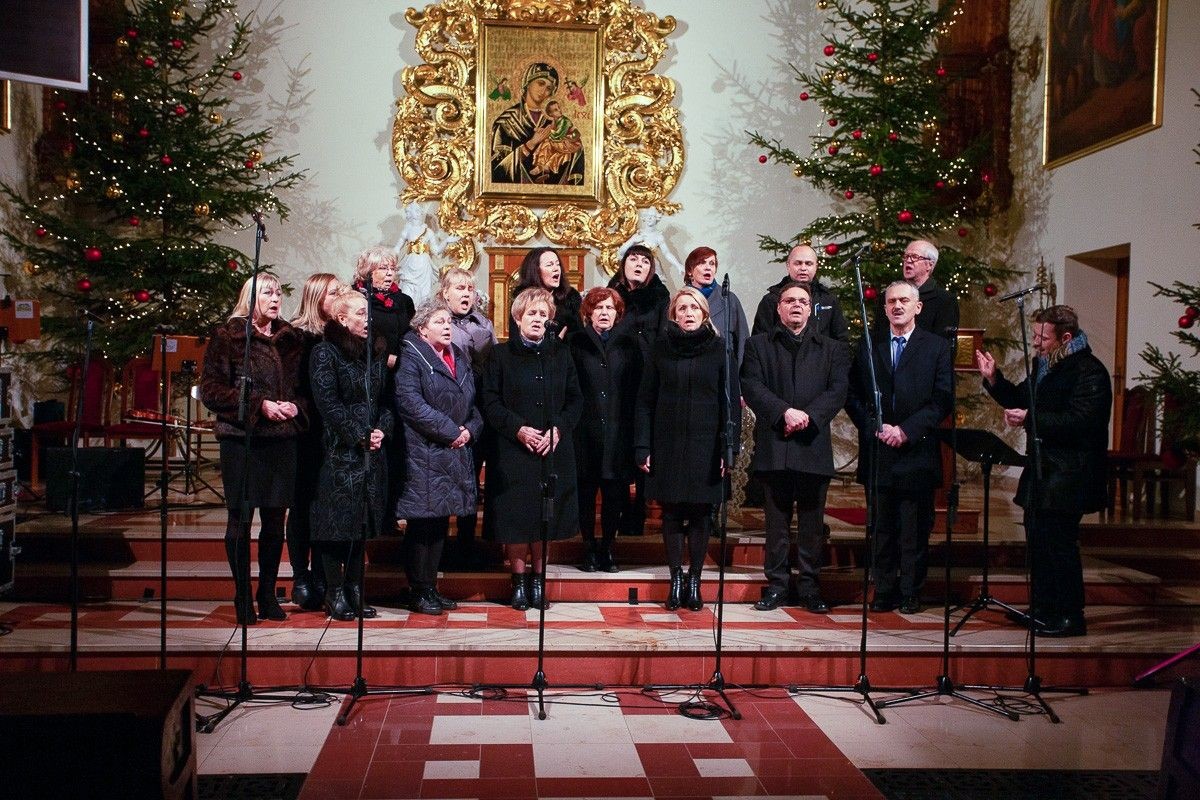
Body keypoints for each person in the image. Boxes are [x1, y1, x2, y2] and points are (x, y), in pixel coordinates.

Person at [976, 305, 1111, 637]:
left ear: (1065, 337)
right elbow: (1021, 398)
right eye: (1034, 335)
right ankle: (1043, 607)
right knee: (1038, 540)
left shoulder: (1088, 371)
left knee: (1060, 544)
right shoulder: (1046, 365)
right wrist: (994, 379)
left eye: (1042, 337)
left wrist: (1031, 419)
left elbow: (1082, 422)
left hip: (1071, 472)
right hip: (1044, 470)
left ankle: (1070, 615)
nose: (1035, 343)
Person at [200, 274, 306, 625]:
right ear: (251, 297)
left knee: (276, 520)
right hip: (242, 440)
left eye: (279, 292)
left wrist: (294, 407)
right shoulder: (229, 337)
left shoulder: (291, 339)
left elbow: (304, 389)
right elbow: (211, 390)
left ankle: (268, 593)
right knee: (241, 519)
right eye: (267, 292)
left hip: (282, 439)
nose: (275, 298)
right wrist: (259, 405)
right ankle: (243, 594)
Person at [742, 281, 850, 613]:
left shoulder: (831, 348)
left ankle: (809, 586)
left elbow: (838, 390)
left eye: (803, 301)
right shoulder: (758, 345)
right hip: (775, 443)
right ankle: (776, 585)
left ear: (811, 308)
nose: (796, 306)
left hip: (812, 444)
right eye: (789, 301)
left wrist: (808, 416)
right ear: (778, 308)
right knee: (776, 525)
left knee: (811, 524)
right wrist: (783, 412)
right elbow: (752, 384)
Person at [846, 280, 953, 615]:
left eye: (904, 300)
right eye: (891, 301)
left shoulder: (936, 347)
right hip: (880, 451)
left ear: (917, 307)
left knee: (914, 529)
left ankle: (910, 591)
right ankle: (884, 589)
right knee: (881, 528)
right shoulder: (869, 347)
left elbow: (942, 399)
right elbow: (853, 396)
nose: (896, 306)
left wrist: (906, 430)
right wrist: (876, 427)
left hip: (915, 451)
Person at [636, 287, 740, 611]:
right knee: (671, 514)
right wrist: (643, 445)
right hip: (667, 442)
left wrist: (729, 448)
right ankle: (675, 578)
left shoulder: (720, 349)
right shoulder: (660, 349)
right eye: (682, 308)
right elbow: (644, 401)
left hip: (707, 444)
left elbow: (731, 405)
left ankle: (694, 578)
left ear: (705, 314)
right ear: (674, 315)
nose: (688, 313)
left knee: (700, 513)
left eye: (694, 307)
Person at [482, 287, 583, 611]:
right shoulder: (499, 355)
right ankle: (519, 583)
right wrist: (519, 429)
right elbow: (490, 401)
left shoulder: (560, 354)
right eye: (532, 314)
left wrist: (557, 431)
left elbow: (575, 400)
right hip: (513, 452)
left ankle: (539, 582)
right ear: (518, 317)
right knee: (516, 520)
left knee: (543, 518)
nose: (538, 319)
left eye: (544, 314)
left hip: (551, 450)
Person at [395, 298, 484, 615]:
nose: (447, 326)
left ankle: (430, 587)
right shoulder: (411, 356)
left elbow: (474, 404)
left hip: (455, 449)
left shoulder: (458, 356)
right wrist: (452, 431)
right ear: (421, 328)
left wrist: (470, 430)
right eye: (439, 322)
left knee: (440, 522)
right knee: (422, 523)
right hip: (425, 450)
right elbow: (410, 404)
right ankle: (417, 589)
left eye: (449, 321)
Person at [308, 291, 392, 620]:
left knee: (360, 524)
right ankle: (334, 591)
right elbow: (328, 403)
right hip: (337, 452)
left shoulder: (373, 353)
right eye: (360, 313)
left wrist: (381, 430)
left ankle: (355, 589)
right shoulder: (324, 352)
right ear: (342, 319)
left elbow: (385, 402)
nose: (368, 318)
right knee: (335, 526)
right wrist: (358, 435)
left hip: (371, 452)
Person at [569, 287, 642, 572]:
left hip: (618, 432)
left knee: (614, 495)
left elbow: (637, 390)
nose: (604, 313)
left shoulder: (630, 345)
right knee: (585, 494)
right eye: (598, 308)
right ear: (588, 313)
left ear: (618, 313)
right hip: (583, 433)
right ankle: (588, 547)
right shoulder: (575, 343)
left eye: (609, 308)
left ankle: (608, 547)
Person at [286, 272, 343, 611]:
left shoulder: (339, 335)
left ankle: (323, 574)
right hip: (305, 430)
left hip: (332, 432)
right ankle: (300, 575)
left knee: (325, 506)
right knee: (302, 505)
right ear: (317, 297)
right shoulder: (297, 336)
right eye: (334, 293)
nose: (339, 297)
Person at [606, 244, 670, 537]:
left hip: (646, 374)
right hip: (617, 376)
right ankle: (616, 510)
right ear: (624, 264)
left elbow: (663, 337)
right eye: (633, 259)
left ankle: (638, 512)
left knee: (644, 444)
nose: (639, 264)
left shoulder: (659, 296)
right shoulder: (611, 292)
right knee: (619, 446)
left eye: (645, 261)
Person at [441, 268, 497, 558]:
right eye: (460, 288)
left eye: (470, 288)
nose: (466, 293)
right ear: (445, 292)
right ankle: (445, 543)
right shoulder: (439, 323)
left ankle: (468, 540)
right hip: (451, 409)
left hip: (480, 408)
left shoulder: (484, 324)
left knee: (473, 476)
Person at [490, 62, 584, 186]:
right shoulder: (507, 122)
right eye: (540, 83)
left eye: (549, 88)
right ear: (527, 83)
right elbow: (495, 172)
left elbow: (577, 153)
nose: (544, 90)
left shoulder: (556, 121)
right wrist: (531, 144)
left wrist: (567, 143)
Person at [751, 244, 849, 342]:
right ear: (788, 265)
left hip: (823, 356)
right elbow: (759, 342)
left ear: (816, 266)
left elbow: (841, 341)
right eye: (798, 263)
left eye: (808, 263)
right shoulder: (771, 299)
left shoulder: (828, 300)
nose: (803, 268)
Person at [684, 246, 750, 364]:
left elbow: (742, 340)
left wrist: (738, 377)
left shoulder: (729, 299)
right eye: (702, 263)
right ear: (690, 271)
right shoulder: (680, 301)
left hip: (723, 371)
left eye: (712, 263)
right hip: (690, 369)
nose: (708, 267)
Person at [508, 246, 583, 340]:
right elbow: (515, 338)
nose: (556, 269)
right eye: (549, 265)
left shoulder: (569, 298)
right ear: (536, 270)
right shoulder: (522, 299)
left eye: (558, 264)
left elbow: (579, 338)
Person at [895, 239, 959, 340]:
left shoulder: (945, 300)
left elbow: (943, 346)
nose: (908, 260)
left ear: (929, 265)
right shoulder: (890, 296)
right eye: (906, 256)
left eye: (915, 257)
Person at [530, 100, 582, 180]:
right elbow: (551, 130)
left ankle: (546, 166)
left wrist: (546, 133)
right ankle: (540, 165)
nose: (559, 110)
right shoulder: (555, 121)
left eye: (558, 108)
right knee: (547, 143)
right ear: (550, 114)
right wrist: (541, 130)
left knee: (549, 143)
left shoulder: (565, 121)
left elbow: (558, 135)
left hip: (572, 143)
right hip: (562, 141)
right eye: (555, 110)